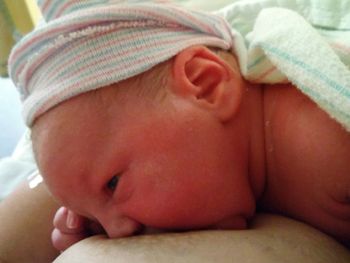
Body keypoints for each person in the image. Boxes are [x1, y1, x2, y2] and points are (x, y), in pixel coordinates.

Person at [6, 0, 350, 256]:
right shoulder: (229, 166)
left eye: (112, 184)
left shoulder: (323, 143)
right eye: (93, 216)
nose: (118, 232)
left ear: (205, 84)